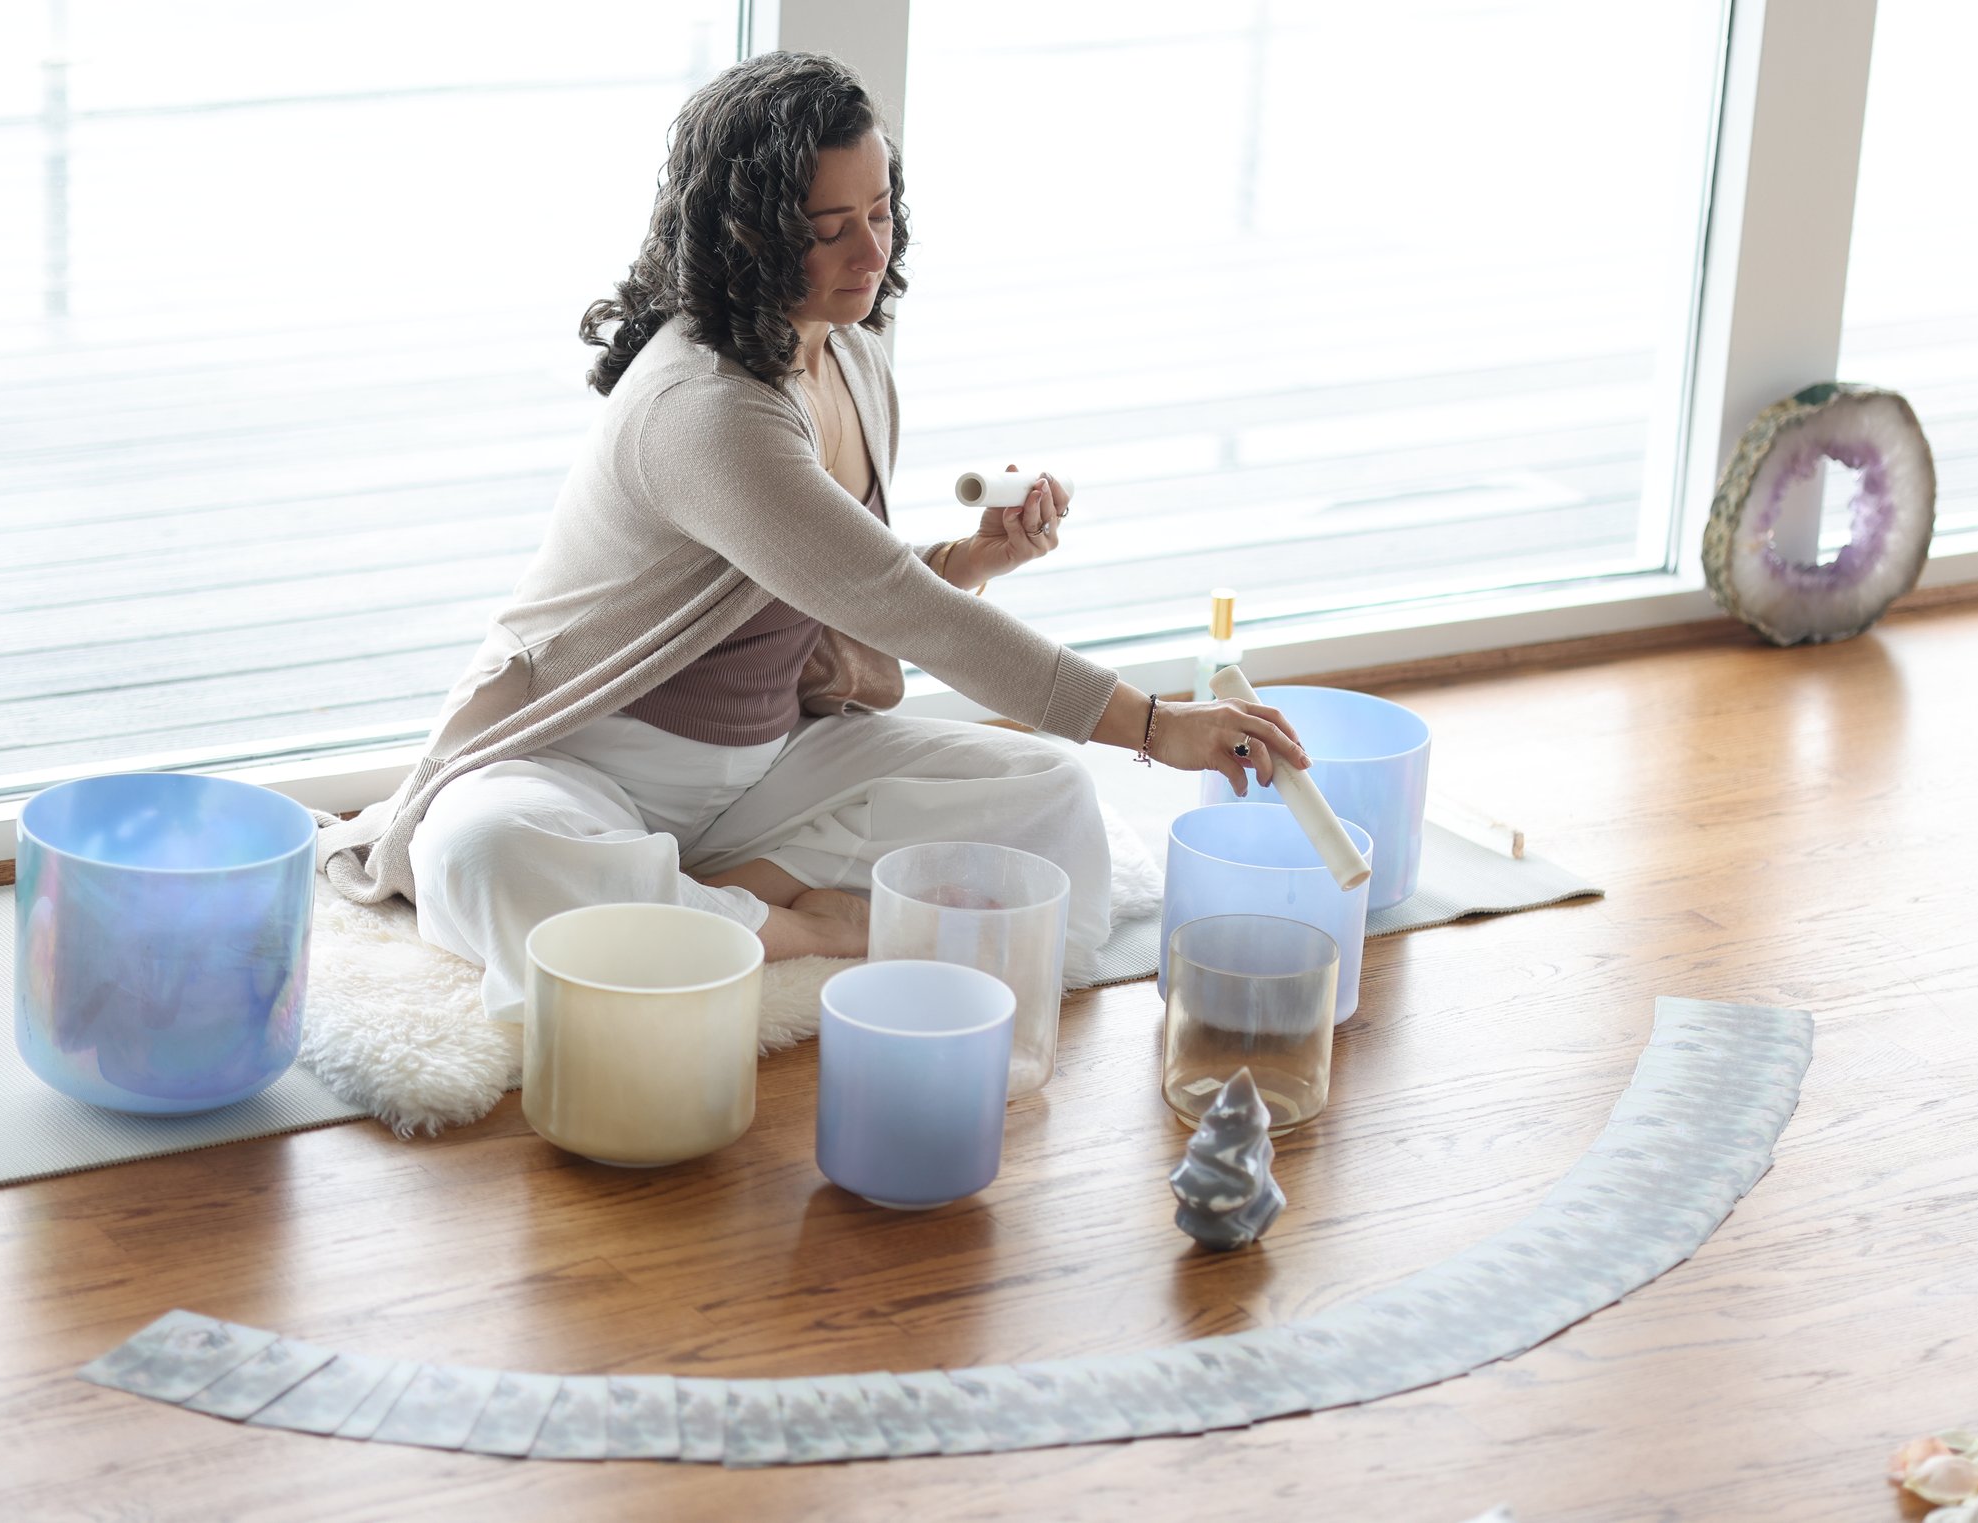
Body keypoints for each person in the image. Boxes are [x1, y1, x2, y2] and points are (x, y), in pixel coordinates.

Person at [313, 50, 1308, 1023]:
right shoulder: (705, 407)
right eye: (830, 228)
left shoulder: (855, 357)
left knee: (1048, 792)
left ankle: (707, 891)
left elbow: (832, 585)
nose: (870, 253)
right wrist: (1151, 725)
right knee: (486, 849)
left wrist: (974, 559)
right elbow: (899, 607)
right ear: (746, 239)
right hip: (588, 761)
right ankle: (803, 926)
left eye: (879, 214)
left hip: (768, 766)